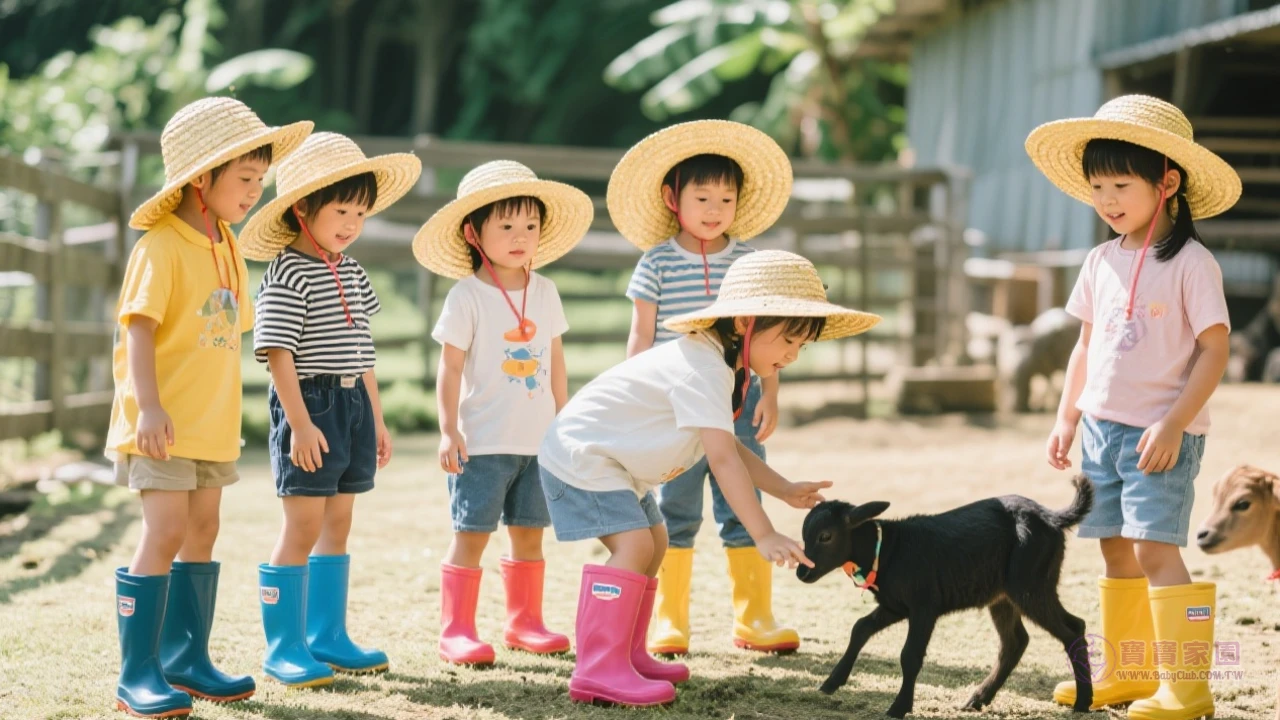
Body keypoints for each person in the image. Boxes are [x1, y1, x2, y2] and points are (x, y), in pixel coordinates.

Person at [538, 249, 880, 706]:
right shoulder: (704, 367)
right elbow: (722, 460)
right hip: (582, 455)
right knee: (634, 546)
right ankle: (598, 669)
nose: (793, 354)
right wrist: (763, 532)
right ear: (744, 323)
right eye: (788, 340)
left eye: (802, 346)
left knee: (655, 541)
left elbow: (729, 447)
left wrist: (782, 488)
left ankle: (626, 655)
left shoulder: (722, 364)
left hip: (611, 462)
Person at [1027, 94, 1241, 720]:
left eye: (1121, 185)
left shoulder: (1194, 265)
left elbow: (1215, 350)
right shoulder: (1100, 260)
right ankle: (1128, 671)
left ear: (1166, 183)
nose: (1107, 199)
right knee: (1114, 547)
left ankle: (1188, 687)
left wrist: (1174, 423)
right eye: (1097, 187)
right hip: (1101, 430)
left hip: (1160, 437)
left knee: (1153, 549)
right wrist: (1067, 416)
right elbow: (1086, 346)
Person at [106, 97, 311, 717]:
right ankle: (137, 672)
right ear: (202, 178)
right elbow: (138, 330)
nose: (254, 191)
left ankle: (186, 657)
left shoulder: (227, 245)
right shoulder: (160, 246)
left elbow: (229, 331)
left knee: (203, 530)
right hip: (162, 423)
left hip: (212, 424)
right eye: (244, 178)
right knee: (165, 530)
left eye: (260, 179)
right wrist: (148, 408)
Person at [608, 119, 800, 656]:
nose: (715, 209)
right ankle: (670, 620)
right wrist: (635, 397)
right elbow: (641, 334)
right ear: (673, 199)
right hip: (673, 402)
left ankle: (754, 616)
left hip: (738, 397)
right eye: (702, 197)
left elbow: (765, 335)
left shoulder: (748, 261)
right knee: (675, 503)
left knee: (743, 498)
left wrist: (771, 392)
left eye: (726, 198)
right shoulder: (657, 262)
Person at [242, 132, 421, 687]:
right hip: (310, 403)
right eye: (341, 211)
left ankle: (327, 635)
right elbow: (278, 353)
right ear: (302, 208)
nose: (351, 224)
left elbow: (363, 352)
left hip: (352, 404)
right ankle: (284, 647)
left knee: (338, 522)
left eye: (360, 213)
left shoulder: (353, 271)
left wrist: (377, 418)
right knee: (303, 523)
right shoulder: (287, 272)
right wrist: (299, 424)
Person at [412, 160, 592, 665]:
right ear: (473, 233)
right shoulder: (466, 296)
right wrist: (448, 429)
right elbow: (449, 368)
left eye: (531, 226)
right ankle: (456, 631)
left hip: (539, 443)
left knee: (530, 534)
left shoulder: (546, 292)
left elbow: (556, 362)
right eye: (507, 226)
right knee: (471, 535)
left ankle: (524, 622)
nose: (520, 237)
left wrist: (565, 421)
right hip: (482, 443)